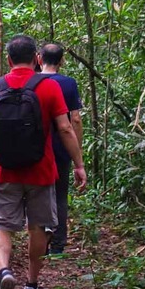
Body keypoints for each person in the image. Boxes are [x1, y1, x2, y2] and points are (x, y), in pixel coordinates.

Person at [0, 35, 87, 289]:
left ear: (8, 59)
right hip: (41, 170)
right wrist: (79, 164)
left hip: (5, 170)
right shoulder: (49, 87)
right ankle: (32, 286)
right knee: (38, 227)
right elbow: (65, 128)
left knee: (2, 225)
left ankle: (4, 271)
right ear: (36, 58)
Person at [39, 42, 83, 255]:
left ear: (39, 59)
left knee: (38, 195)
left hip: (37, 148)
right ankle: (57, 244)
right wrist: (77, 154)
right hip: (62, 146)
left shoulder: (33, 81)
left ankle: (40, 243)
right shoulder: (68, 83)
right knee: (60, 195)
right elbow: (75, 119)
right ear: (62, 61)